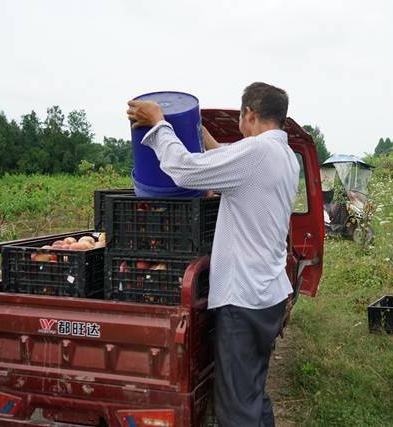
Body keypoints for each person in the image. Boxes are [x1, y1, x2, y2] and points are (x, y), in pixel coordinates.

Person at [127, 82, 299, 427]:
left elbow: (185, 171)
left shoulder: (256, 154)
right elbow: (232, 164)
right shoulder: (284, 156)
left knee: (236, 408)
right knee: (251, 389)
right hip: (268, 294)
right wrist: (202, 136)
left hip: (245, 298)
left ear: (248, 113)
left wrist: (159, 124)